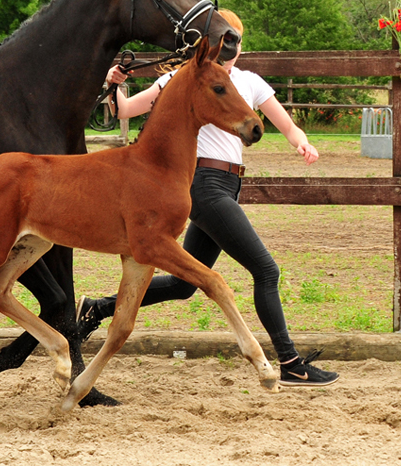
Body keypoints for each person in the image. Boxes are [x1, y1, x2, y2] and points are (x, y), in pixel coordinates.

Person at [76, 10, 339, 387]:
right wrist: (115, 82)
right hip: (200, 184)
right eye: (223, 39)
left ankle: (98, 308)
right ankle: (291, 362)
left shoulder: (248, 83)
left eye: (235, 39)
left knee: (185, 284)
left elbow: (285, 123)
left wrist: (303, 143)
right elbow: (126, 110)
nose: (230, 46)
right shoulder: (183, 79)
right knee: (266, 270)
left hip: (228, 186)